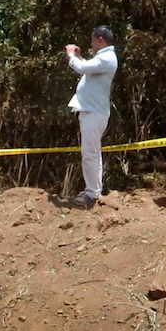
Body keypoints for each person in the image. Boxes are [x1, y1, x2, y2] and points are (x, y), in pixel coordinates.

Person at [61, 26, 117, 207]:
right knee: (93, 153)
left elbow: (82, 68)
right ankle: (94, 191)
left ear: (100, 39)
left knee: (89, 154)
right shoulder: (103, 59)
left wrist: (71, 55)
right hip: (92, 112)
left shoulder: (107, 58)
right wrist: (77, 58)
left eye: (92, 40)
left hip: (94, 113)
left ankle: (91, 194)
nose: (91, 44)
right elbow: (87, 67)